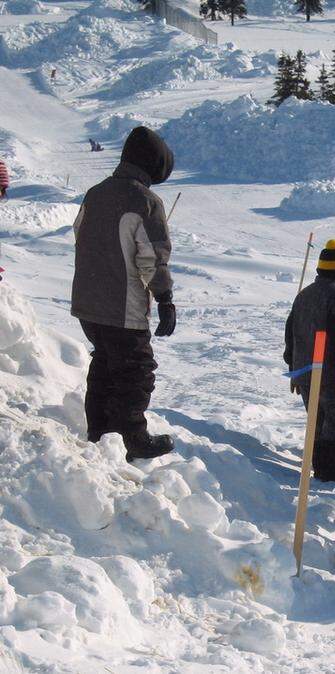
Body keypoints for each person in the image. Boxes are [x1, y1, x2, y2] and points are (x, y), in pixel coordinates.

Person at [70, 126, 176, 462]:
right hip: (122, 304)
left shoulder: (96, 192)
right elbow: (151, 258)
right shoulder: (145, 201)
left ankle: (99, 432)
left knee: (104, 362)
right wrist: (165, 298)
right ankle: (132, 438)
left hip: (88, 301)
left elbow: (79, 234)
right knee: (135, 369)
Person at [284, 239, 335, 484]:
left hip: (305, 369)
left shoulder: (303, 295)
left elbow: (290, 332)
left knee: (316, 420)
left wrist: (293, 368)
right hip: (330, 373)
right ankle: (328, 470)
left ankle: (318, 464)